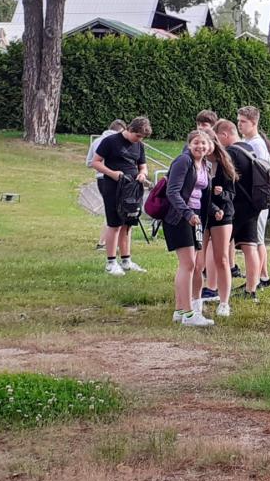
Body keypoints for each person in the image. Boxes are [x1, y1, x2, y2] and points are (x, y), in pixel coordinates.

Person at [90, 116, 152, 276]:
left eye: (142, 137)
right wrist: (112, 173)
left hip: (132, 187)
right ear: (130, 129)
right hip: (113, 187)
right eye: (137, 136)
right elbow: (95, 162)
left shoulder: (139, 145)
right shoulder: (110, 141)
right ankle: (111, 262)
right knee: (115, 223)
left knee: (128, 223)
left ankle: (126, 260)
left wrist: (143, 174)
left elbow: (143, 166)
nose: (139, 139)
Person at [163, 130, 213, 327]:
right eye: (196, 143)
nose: (200, 146)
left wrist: (214, 209)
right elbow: (172, 191)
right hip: (180, 217)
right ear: (189, 145)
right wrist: (187, 213)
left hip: (196, 216)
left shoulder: (205, 165)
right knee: (188, 264)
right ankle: (189, 314)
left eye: (204, 143)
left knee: (190, 265)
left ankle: (180, 311)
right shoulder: (183, 161)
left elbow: (201, 194)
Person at [219, 119, 262, 302]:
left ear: (224, 135)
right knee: (250, 247)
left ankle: (215, 287)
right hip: (253, 205)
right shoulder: (248, 148)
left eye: (218, 139)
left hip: (236, 206)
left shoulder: (231, 153)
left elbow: (225, 180)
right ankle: (251, 290)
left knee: (218, 245)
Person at [199, 129, 238, 317]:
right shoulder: (196, 163)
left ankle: (224, 302)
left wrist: (221, 194)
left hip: (223, 215)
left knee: (221, 258)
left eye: (206, 144)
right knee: (197, 260)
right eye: (200, 144)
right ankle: (195, 299)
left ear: (214, 144)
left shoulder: (224, 164)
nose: (203, 148)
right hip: (202, 213)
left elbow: (232, 193)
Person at [237, 106, 270, 290]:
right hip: (253, 199)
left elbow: (261, 174)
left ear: (254, 123)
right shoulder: (247, 141)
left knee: (257, 240)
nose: (239, 125)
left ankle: (259, 279)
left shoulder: (257, 145)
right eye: (238, 121)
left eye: (243, 121)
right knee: (257, 239)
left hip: (258, 199)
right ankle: (263, 276)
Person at [86, 119, 125, 249]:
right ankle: (106, 243)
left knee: (110, 209)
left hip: (100, 179)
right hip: (113, 178)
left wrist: (99, 166)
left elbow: (89, 162)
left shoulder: (96, 141)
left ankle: (105, 242)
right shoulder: (116, 142)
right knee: (115, 212)